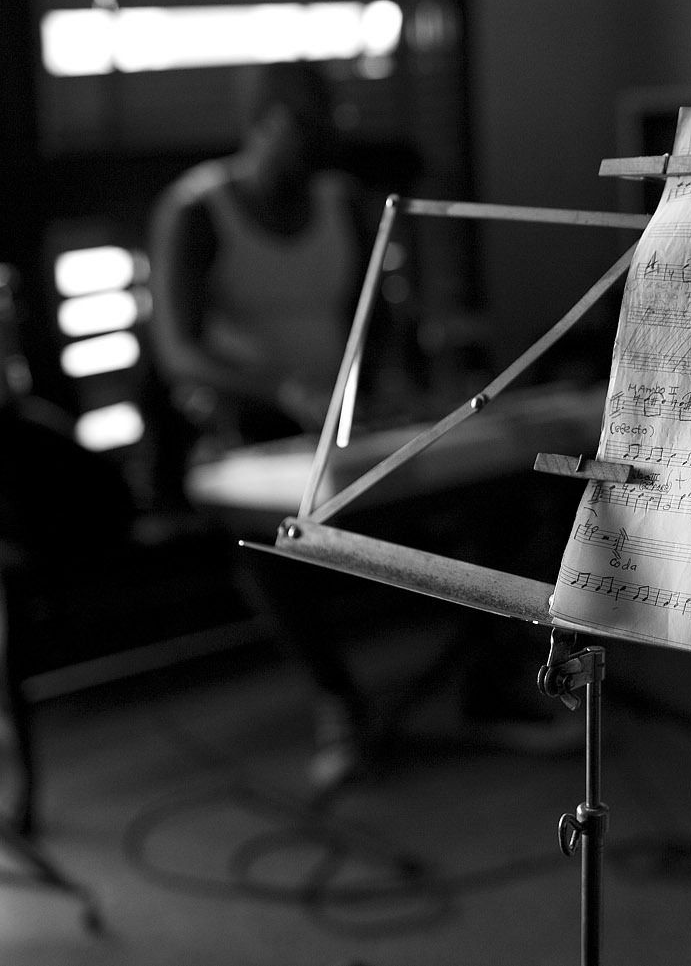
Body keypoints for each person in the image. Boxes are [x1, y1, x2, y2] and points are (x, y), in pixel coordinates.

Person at [149, 62, 578, 793]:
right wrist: (286, 391)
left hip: (347, 417)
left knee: (503, 489)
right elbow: (178, 348)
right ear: (266, 122)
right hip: (247, 429)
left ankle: (487, 679)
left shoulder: (339, 201)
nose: (320, 142)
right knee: (275, 537)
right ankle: (339, 703)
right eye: (304, 125)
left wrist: (388, 387)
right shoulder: (195, 211)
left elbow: (378, 317)